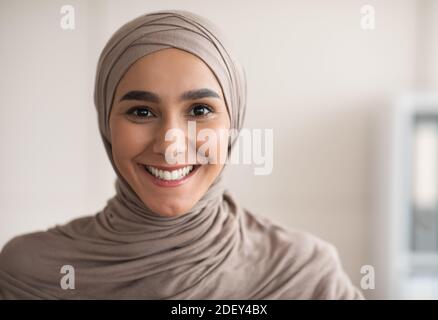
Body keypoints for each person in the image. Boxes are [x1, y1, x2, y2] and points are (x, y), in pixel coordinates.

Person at [0, 9, 363, 299]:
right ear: (107, 124)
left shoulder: (304, 274)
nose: (171, 143)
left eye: (200, 111)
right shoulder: (30, 273)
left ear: (233, 121)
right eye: (141, 112)